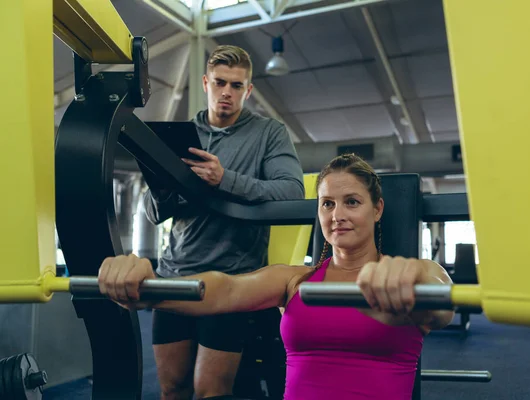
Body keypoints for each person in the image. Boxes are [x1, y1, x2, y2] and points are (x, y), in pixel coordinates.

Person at [102, 154, 454, 400]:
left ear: (377, 209)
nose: (337, 215)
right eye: (327, 204)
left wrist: (412, 285)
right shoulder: (295, 281)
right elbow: (225, 290)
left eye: (352, 202)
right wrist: (150, 290)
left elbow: (442, 301)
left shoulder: (411, 276)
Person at [142, 45, 305, 399]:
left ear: (248, 90)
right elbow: (153, 213)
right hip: (174, 276)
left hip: (232, 283)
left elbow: (291, 192)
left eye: (236, 85)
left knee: (209, 391)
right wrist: (163, 186)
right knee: (172, 388)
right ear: (205, 83)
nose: (227, 93)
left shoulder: (268, 133)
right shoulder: (178, 136)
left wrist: (224, 179)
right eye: (220, 83)